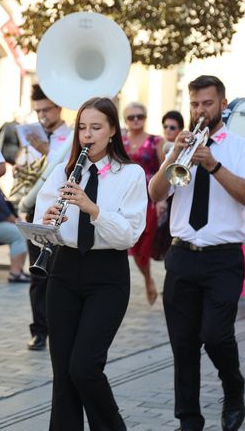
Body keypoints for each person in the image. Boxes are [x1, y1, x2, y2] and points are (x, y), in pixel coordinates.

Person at [149, 75, 245, 431]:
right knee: (183, 346)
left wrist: (213, 164)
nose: (200, 111)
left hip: (223, 258)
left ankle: (233, 387)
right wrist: (173, 156)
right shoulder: (179, 148)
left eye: (207, 104)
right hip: (182, 255)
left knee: (215, 335)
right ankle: (189, 420)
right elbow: (155, 194)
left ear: (223, 105)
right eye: (195, 104)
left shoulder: (242, 147)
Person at [35, 97, 147, 430]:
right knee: (63, 375)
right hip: (64, 270)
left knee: (84, 367)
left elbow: (128, 235)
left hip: (107, 275)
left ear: (113, 130)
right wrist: (46, 223)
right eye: (82, 128)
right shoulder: (63, 171)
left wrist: (93, 209)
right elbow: (41, 233)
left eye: (96, 128)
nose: (87, 135)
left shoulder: (130, 175)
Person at [19, 84, 73, 351]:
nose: (42, 115)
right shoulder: (30, 134)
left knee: (59, 272)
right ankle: (39, 330)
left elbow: (67, 167)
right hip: (34, 209)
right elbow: (26, 171)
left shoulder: (71, 136)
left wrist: (45, 152)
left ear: (58, 107)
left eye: (46, 110)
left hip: (63, 211)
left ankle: (60, 326)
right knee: (37, 272)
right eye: (38, 110)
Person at [122, 101, 162, 305]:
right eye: (131, 117)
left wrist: (162, 199)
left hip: (149, 199)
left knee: (144, 245)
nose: (136, 120)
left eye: (140, 116)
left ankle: (148, 281)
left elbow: (166, 170)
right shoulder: (119, 141)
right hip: (126, 198)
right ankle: (148, 280)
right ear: (125, 120)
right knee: (133, 245)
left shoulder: (156, 141)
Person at [151, 110, 185, 261]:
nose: (168, 130)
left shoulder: (183, 146)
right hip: (164, 187)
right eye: (165, 126)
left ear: (180, 129)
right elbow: (160, 170)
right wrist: (160, 200)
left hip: (178, 191)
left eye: (172, 127)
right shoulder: (161, 145)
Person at [0, 181, 29, 282]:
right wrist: (15, 221)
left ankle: (19, 270)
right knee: (19, 233)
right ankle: (15, 273)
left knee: (20, 230)